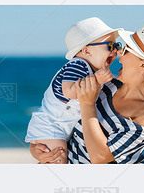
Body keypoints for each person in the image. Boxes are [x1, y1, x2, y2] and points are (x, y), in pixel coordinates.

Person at [30, 19, 144, 164]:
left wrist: (87, 104)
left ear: (143, 64)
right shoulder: (108, 87)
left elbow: (99, 157)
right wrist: (39, 148)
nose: (119, 54)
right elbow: (62, 121)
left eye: (126, 50)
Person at [25, 17, 123, 163]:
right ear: (86, 50)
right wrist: (96, 79)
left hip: (62, 127)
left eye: (117, 45)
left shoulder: (92, 70)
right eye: (109, 46)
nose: (115, 51)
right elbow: (69, 91)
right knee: (58, 158)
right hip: (51, 124)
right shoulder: (78, 65)